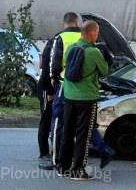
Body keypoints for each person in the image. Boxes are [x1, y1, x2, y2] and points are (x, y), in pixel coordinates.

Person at [56, 20, 108, 180]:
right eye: (97, 34)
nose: (97, 36)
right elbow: (104, 71)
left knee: (67, 132)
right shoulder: (94, 52)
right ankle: (78, 170)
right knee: (82, 136)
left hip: (69, 96)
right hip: (87, 99)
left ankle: (63, 168)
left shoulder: (71, 48)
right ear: (92, 33)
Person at [50, 12, 81, 166]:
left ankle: (57, 160)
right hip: (82, 88)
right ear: (77, 22)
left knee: (59, 122)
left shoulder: (60, 38)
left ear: (64, 23)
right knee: (77, 124)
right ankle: (75, 159)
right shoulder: (86, 36)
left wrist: (53, 77)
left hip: (64, 84)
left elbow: (55, 61)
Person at [37, 37, 56, 170]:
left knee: (52, 121)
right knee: (45, 120)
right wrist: (49, 92)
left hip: (52, 89)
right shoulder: (50, 49)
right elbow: (45, 74)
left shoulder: (53, 47)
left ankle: (52, 150)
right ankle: (43, 153)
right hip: (46, 90)